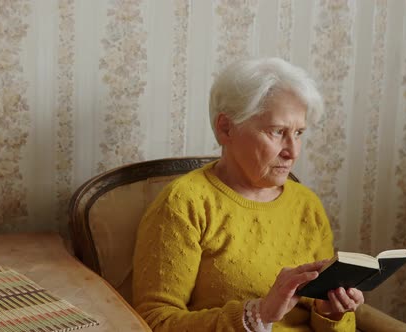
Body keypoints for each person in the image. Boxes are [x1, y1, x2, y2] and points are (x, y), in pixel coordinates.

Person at [132, 57, 364, 332]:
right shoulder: (185, 203)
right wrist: (258, 315)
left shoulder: (307, 205)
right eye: (277, 132)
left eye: (299, 133)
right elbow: (155, 321)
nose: (293, 151)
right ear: (226, 128)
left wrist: (331, 313)